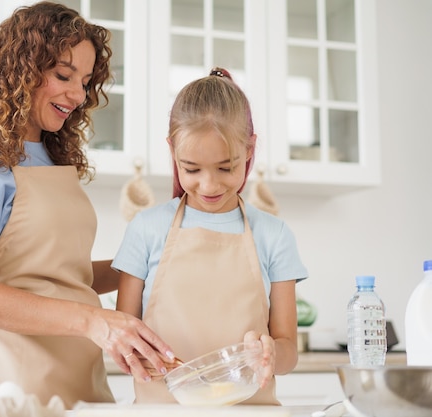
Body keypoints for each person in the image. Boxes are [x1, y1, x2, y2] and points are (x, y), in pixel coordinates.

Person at [0, 1, 175, 409]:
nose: (77, 95)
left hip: (83, 387)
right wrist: (96, 321)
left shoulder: (54, 156)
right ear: (21, 68)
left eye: (86, 81)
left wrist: (143, 263)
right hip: (15, 392)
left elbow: (63, 279)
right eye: (63, 75)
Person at [113, 68, 308, 404]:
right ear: (172, 150)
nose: (209, 185)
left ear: (249, 150)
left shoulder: (274, 235)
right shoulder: (146, 229)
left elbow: (288, 349)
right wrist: (135, 354)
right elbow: (124, 337)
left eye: (225, 167)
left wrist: (272, 354)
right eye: (191, 169)